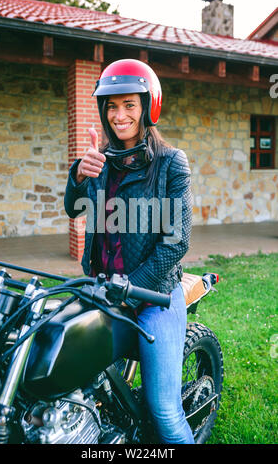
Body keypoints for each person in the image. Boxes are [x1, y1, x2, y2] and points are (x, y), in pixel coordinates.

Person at [64, 59, 194, 444]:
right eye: (111, 106)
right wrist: (77, 176)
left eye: (129, 105)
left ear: (147, 107)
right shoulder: (99, 160)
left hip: (154, 298)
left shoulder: (171, 163)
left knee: (165, 413)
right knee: (78, 384)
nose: (119, 115)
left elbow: (176, 242)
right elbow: (74, 208)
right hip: (103, 289)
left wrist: (130, 289)